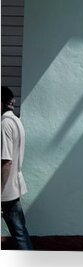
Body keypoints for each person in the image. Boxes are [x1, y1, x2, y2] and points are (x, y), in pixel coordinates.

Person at [1, 86, 33, 250]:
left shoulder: (4, 124)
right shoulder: (16, 121)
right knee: (20, 232)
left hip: (5, 191)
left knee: (19, 233)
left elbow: (6, 162)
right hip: (14, 186)